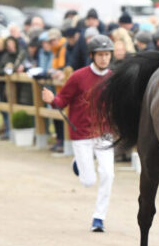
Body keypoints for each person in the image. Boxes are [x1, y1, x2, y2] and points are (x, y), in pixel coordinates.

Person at [42, 35, 116, 233]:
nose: (103, 59)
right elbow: (62, 101)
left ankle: (99, 218)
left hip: (104, 134)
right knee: (88, 181)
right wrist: (51, 99)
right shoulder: (78, 77)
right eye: (100, 55)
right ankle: (78, 164)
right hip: (81, 133)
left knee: (108, 174)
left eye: (107, 55)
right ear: (92, 56)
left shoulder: (115, 78)